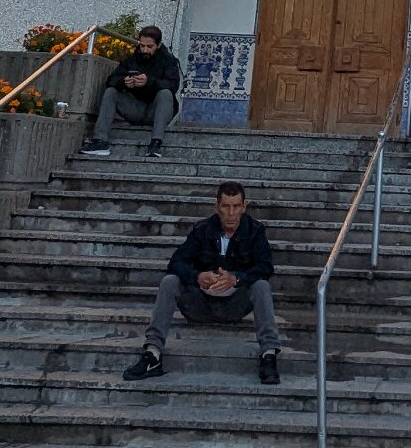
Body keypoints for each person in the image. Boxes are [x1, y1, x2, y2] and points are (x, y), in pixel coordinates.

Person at [122, 181, 280, 385]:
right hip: (200, 304)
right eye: (226, 206)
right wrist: (197, 276)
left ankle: (268, 355)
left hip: (235, 305)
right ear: (217, 207)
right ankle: (153, 354)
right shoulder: (202, 229)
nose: (231, 213)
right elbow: (176, 263)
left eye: (236, 206)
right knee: (170, 281)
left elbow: (265, 267)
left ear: (244, 207)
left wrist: (236, 279)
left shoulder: (255, 230)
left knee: (262, 286)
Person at [83, 25, 182, 157]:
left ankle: (155, 144)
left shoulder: (169, 61)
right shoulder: (131, 59)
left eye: (149, 46)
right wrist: (123, 82)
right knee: (111, 91)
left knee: (165, 93)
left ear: (158, 45)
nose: (145, 50)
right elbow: (111, 80)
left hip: (157, 110)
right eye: (142, 46)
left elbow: (172, 85)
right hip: (135, 108)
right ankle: (100, 141)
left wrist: (149, 82)